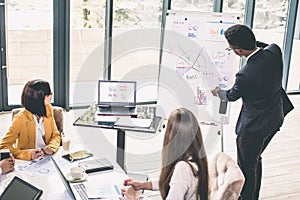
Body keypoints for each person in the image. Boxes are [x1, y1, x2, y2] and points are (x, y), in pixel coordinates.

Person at [211, 24, 293, 200]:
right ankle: (253, 195)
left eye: (231, 48)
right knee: (255, 160)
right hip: (275, 118)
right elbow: (263, 46)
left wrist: (218, 91)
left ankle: (247, 197)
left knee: (247, 165)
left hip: (253, 129)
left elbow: (231, 95)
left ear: (239, 51)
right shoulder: (274, 52)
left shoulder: (244, 75)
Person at [121, 108, 209, 200]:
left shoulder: (182, 167)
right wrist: (142, 185)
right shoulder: (196, 161)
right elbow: (174, 182)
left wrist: (135, 198)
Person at [0, 79, 61, 160]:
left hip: (48, 158)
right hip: (29, 163)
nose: (51, 95)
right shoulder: (20, 119)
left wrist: (51, 147)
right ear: (39, 98)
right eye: (48, 93)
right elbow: (3, 147)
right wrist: (27, 154)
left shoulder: (48, 108)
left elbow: (55, 134)